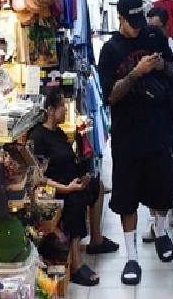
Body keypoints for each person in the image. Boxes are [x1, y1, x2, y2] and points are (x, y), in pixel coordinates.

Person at [97, 0, 173, 286]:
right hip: (126, 136)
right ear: (120, 18)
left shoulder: (154, 37)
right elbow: (111, 96)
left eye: (139, 21)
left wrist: (159, 66)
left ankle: (160, 231)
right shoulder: (110, 50)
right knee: (127, 200)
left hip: (157, 129)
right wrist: (136, 72)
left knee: (162, 192)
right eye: (131, 22)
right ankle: (131, 256)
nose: (136, 28)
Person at [29, 89, 118, 287]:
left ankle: (96, 240)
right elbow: (39, 177)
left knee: (97, 187)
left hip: (71, 183)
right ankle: (77, 265)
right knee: (75, 201)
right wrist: (66, 188)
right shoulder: (38, 137)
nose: (65, 110)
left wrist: (82, 177)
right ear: (51, 110)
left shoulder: (59, 132)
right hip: (57, 189)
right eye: (62, 106)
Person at [145, 6, 173, 229]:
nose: (152, 32)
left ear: (166, 27)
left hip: (170, 120)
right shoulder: (144, 52)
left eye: (157, 27)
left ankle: (169, 208)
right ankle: (155, 220)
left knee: (170, 167)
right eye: (149, 27)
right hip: (150, 121)